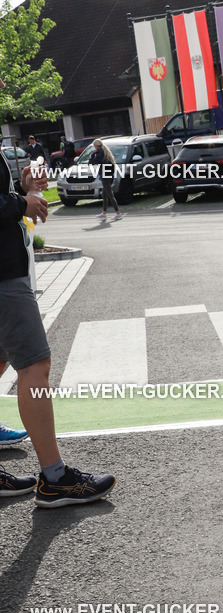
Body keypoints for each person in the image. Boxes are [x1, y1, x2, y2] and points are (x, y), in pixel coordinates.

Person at [0, 142, 116, 506]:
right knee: (34, 365)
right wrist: (21, 203)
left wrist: (21, 190)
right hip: (3, 276)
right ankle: (54, 478)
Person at [90, 138, 122, 220]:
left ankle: (118, 213)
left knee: (110, 195)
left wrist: (93, 154)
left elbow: (91, 162)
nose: (94, 148)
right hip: (109, 176)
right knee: (104, 195)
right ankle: (104, 213)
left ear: (96, 146)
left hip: (105, 177)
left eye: (94, 146)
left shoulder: (100, 153)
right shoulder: (106, 153)